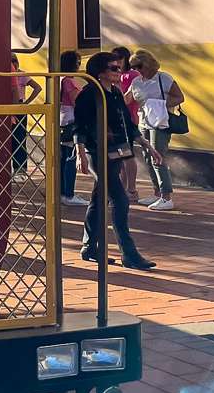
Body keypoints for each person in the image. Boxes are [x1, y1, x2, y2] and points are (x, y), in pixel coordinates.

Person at [74, 52, 163, 270]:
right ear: (100, 72)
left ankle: (89, 247)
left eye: (118, 67)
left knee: (99, 199)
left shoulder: (114, 92)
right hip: (98, 154)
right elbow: (80, 126)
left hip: (117, 151)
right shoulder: (88, 94)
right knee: (121, 200)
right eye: (113, 68)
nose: (118, 72)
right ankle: (129, 254)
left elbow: (127, 122)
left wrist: (147, 145)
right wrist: (80, 153)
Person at [125, 49, 183, 211]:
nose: (136, 69)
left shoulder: (163, 78)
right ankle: (157, 192)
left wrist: (159, 106)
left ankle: (166, 196)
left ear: (148, 63)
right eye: (133, 67)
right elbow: (127, 98)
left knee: (157, 156)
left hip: (160, 122)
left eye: (139, 66)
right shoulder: (137, 81)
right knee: (147, 156)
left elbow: (179, 97)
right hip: (143, 122)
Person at [112, 46, 144, 202]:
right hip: (116, 121)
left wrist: (117, 83)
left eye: (119, 58)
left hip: (128, 119)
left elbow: (127, 99)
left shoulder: (132, 75)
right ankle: (123, 188)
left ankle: (132, 189)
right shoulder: (116, 74)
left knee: (128, 155)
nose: (116, 62)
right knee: (121, 155)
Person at [58, 50, 89, 206]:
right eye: (77, 62)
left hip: (61, 119)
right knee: (71, 158)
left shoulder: (59, 79)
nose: (79, 65)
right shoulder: (69, 81)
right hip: (71, 119)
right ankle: (68, 194)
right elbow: (77, 101)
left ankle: (62, 192)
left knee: (63, 158)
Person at [10, 53, 42, 178]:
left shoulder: (22, 74)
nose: (14, 63)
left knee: (19, 137)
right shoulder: (8, 74)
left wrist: (27, 102)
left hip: (19, 106)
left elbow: (37, 87)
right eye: (11, 61)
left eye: (15, 60)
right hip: (7, 105)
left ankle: (20, 169)